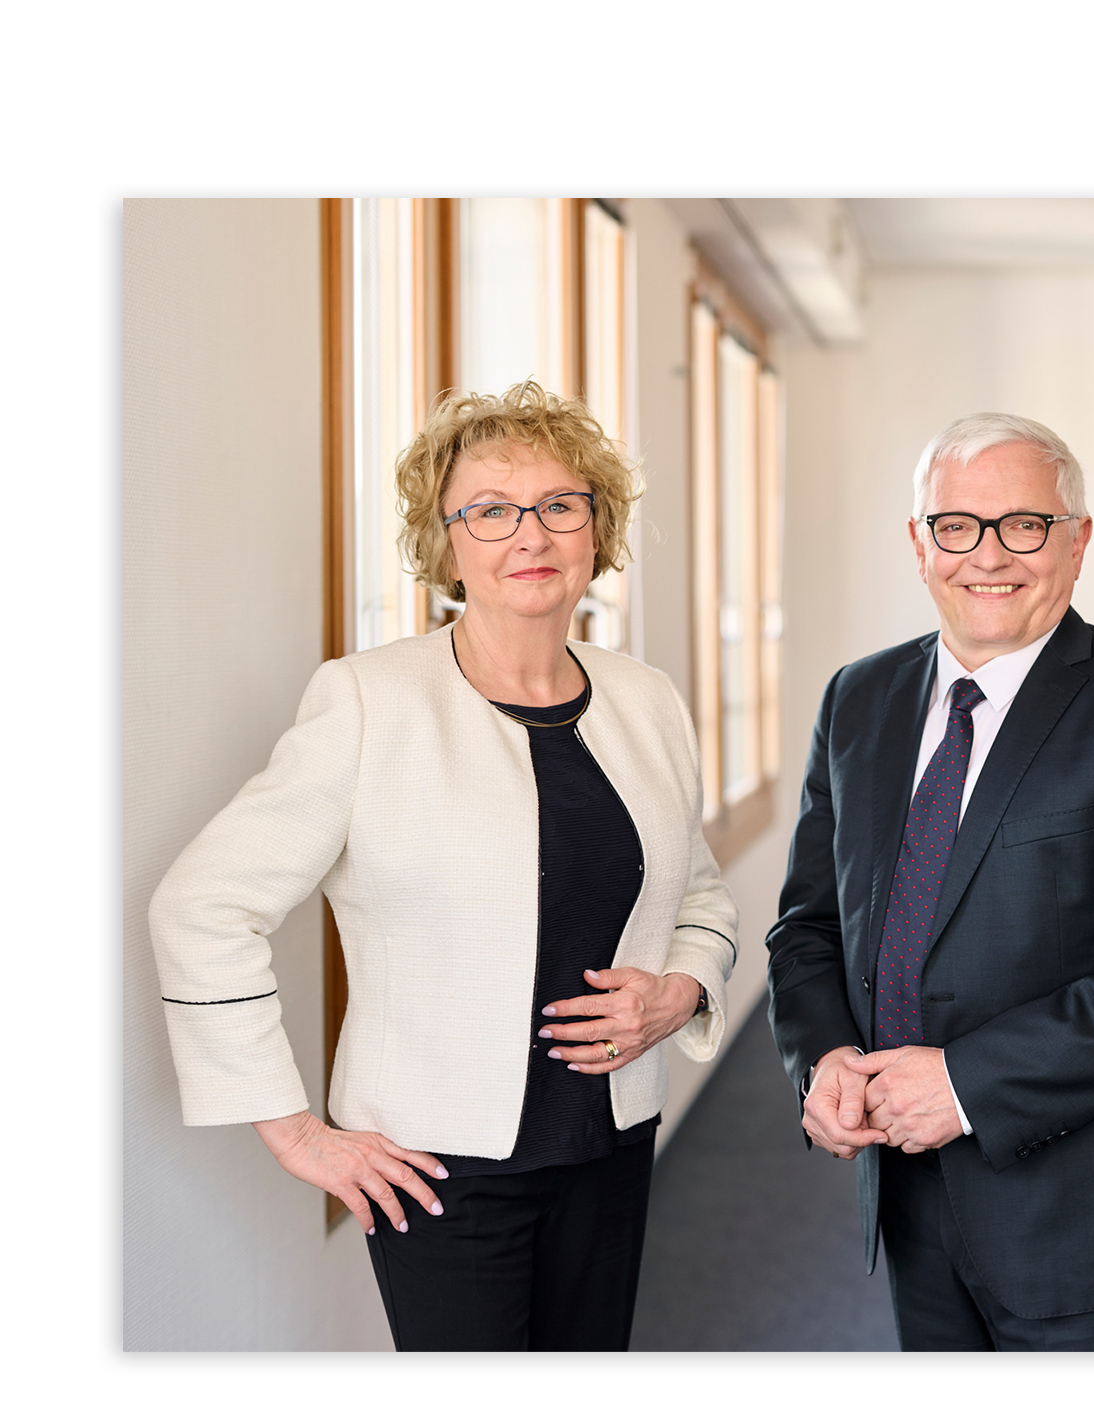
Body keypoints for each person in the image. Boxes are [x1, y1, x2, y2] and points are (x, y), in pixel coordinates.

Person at [149, 381, 737, 1351]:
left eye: (560, 504)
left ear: (597, 528)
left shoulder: (647, 699)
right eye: (492, 511)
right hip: (434, 1167)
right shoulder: (368, 703)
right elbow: (202, 907)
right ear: (446, 538)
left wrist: (680, 988)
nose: (530, 535)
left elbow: (698, 891)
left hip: (613, 1138)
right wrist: (289, 1126)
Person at [766, 413, 1094, 1350]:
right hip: (907, 1195)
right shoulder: (857, 698)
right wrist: (819, 1061)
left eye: (1024, 524)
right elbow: (810, 926)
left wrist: (965, 1082)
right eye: (957, 526)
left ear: (1076, 540)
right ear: (919, 543)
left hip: (1085, 1214)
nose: (989, 555)